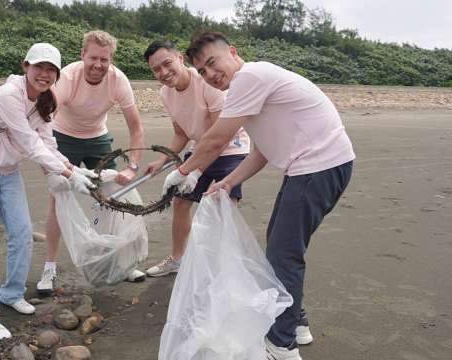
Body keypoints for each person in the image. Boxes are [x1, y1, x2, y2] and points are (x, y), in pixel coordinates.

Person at [162, 32, 355, 360]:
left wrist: (185, 172)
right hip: (315, 167)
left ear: (233, 53)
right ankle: (295, 324)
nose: (210, 74)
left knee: (284, 254)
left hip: (317, 166)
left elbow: (216, 139)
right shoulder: (250, 87)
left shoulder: (249, 78)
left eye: (212, 63)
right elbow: (263, 150)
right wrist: (227, 182)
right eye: (203, 71)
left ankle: (282, 346)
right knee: (281, 247)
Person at [0, 43, 96, 341]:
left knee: (20, 233)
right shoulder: (9, 96)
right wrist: (68, 173)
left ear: (56, 75)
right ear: (25, 67)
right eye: (39, 67)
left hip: (6, 169)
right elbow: (29, 144)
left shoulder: (46, 101)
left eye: (51, 70)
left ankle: (11, 293)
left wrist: (74, 168)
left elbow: (47, 142)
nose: (44, 74)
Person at [36, 30, 147, 294]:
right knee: (58, 196)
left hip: (97, 138)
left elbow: (137, 128)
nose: (98, 65)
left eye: (105, 60)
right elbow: (43, 120)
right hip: (63, 136)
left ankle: (125, 262)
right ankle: (49, 268)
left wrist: (132, 166)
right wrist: (49, 162)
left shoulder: (118, 80)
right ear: (82, 55)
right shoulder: (68, 78)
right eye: (93, 58)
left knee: (114, 196)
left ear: (111, 60)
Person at [142, 40, 250, 277]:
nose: (163, 72)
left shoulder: (206, 82)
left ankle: (223, 268)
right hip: (200, 147)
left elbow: (216, 137)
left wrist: (195, 170)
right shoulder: (165, 92)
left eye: (167, 63)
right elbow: (181, 133)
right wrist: (163, 160)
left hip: (230, 148)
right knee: (180, 202)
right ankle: (177, 259)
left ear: (180, 58)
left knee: (221, 204)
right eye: (156, 69)